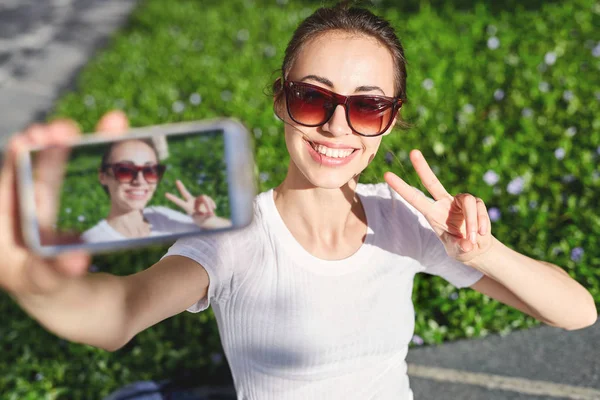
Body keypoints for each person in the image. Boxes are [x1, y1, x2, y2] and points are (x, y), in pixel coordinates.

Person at [0, 3, 596, 400]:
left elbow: (575, 313)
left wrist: (482, 254)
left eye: (367, 107)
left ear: (388, 124)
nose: (337, 126)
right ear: (282, 103)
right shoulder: (236, 238)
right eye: (313, 99)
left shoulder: (404, 224)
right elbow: (118, 313)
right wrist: (35, 281)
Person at [81, 137, 231, 243]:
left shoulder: (161, 215)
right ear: (103, 176)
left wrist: (209, 221)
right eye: (125, 170)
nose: (140, 181)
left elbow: (236, 239)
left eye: (150, 170)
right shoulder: (90, 241)